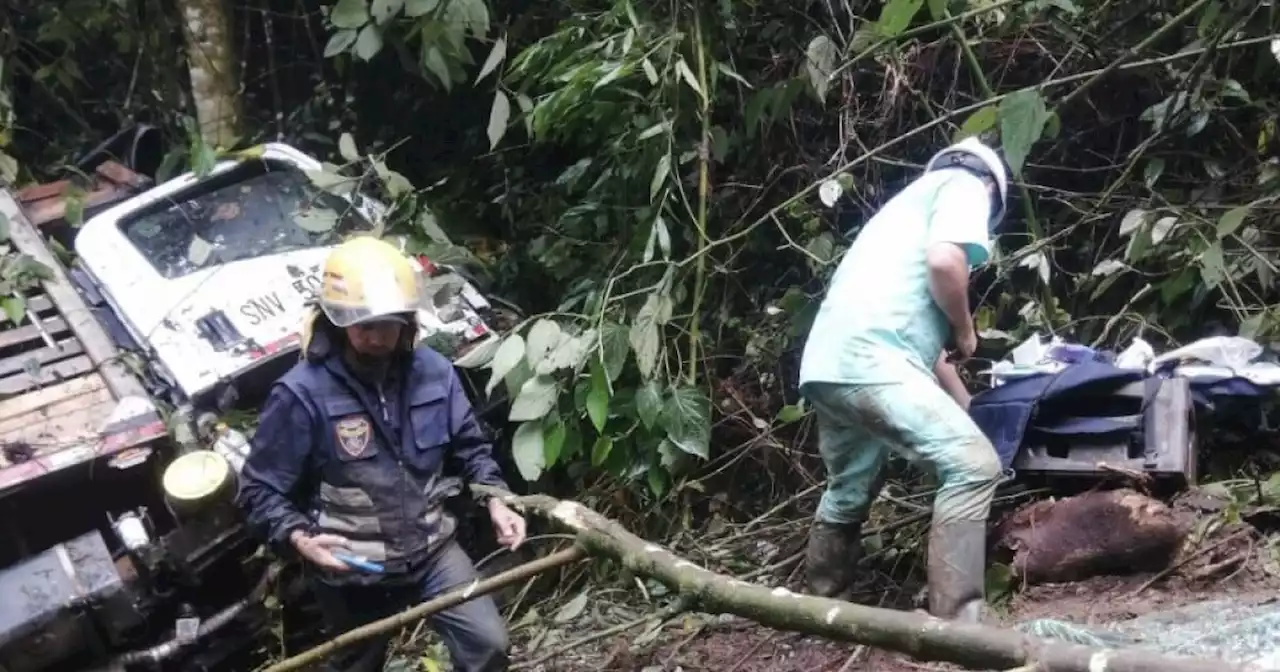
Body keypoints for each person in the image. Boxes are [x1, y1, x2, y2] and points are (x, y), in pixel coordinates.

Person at [237, 236, 526, 672]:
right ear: (337, 321)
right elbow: (259, 490)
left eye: (387, 324)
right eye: (363, 324)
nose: (375, 336)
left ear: (408, 320)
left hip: (433, 553)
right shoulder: (301, 394)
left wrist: (497, 498)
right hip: (352, 572)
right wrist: (299, 538)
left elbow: (472, 447)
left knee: (488, 645)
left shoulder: (435, 373)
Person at [796, 137, 1010, 622]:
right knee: (974, 468)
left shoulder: (897, 220)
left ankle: (823, 608)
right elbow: (945, 263)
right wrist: (966, 328)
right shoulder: (964, 185)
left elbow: (929, 356)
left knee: (848, 489)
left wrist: (969, 412)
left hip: (831, 366)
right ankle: (961, 622)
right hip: (874, 361)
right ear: (992, 191)